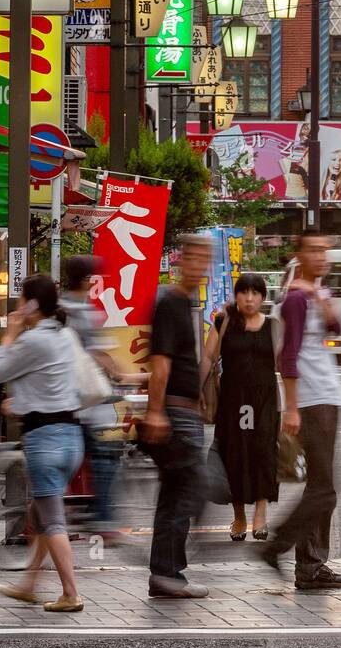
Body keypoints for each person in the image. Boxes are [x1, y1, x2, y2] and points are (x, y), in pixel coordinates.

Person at [254, 231, 341, 590]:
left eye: (326, 249)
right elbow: (287, 356)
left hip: (328, 393)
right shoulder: (295, 299)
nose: (322, 255)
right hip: (312, 398)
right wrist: (291, 407)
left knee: (321, 486)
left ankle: (311, 565)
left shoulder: (316, 292)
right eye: (314, 250)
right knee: (324, 488)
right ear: (299, 255)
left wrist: (321, 297)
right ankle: (279, 547)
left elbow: (338, 328)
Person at [0, 274, 85, 613]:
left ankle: (71, 593)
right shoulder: (63, 335)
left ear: (30, 304)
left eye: (20, 301)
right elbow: (51, 381)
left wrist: (10, 335)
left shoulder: (32, 341)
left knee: (53, 521)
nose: (16, 307)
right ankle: (29, 583)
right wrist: (24, 401)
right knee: (39, 514)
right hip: (71, 437)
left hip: (46, 441)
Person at [143, 234, 213, 600]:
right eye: (195, 257)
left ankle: (165, 573)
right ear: (181, 260)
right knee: (191, 490)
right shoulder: (170, 301)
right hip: (174, 413)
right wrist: (156, 411)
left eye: (206, 259)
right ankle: (168, 570)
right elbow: (161, 363)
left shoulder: (184, 302)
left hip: (186, 411)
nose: (200, 265)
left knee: (175, 493)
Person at [60, 254, 143, 538]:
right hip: (85, 400)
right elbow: (98, 354)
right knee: (105, 457)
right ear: (86, 281)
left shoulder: (59, 307)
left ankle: (73, 513)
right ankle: (102, 519)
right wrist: (123, 376)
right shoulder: (83, 312)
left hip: (61, 397)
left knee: (72, 457)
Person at [201, 272, 279, 541]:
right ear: (236, 295)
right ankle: (239, 517)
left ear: (263, 297)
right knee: (233, 456)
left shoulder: (273, 326)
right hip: (232, 400)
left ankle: (260, 515)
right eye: (244, 292)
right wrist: (194, 392)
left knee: (263, 454)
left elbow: (288, 364)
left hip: (265, 401)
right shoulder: (223, 322)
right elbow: (208, 357)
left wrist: (294, 404)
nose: (249, 298)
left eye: (255, 293)